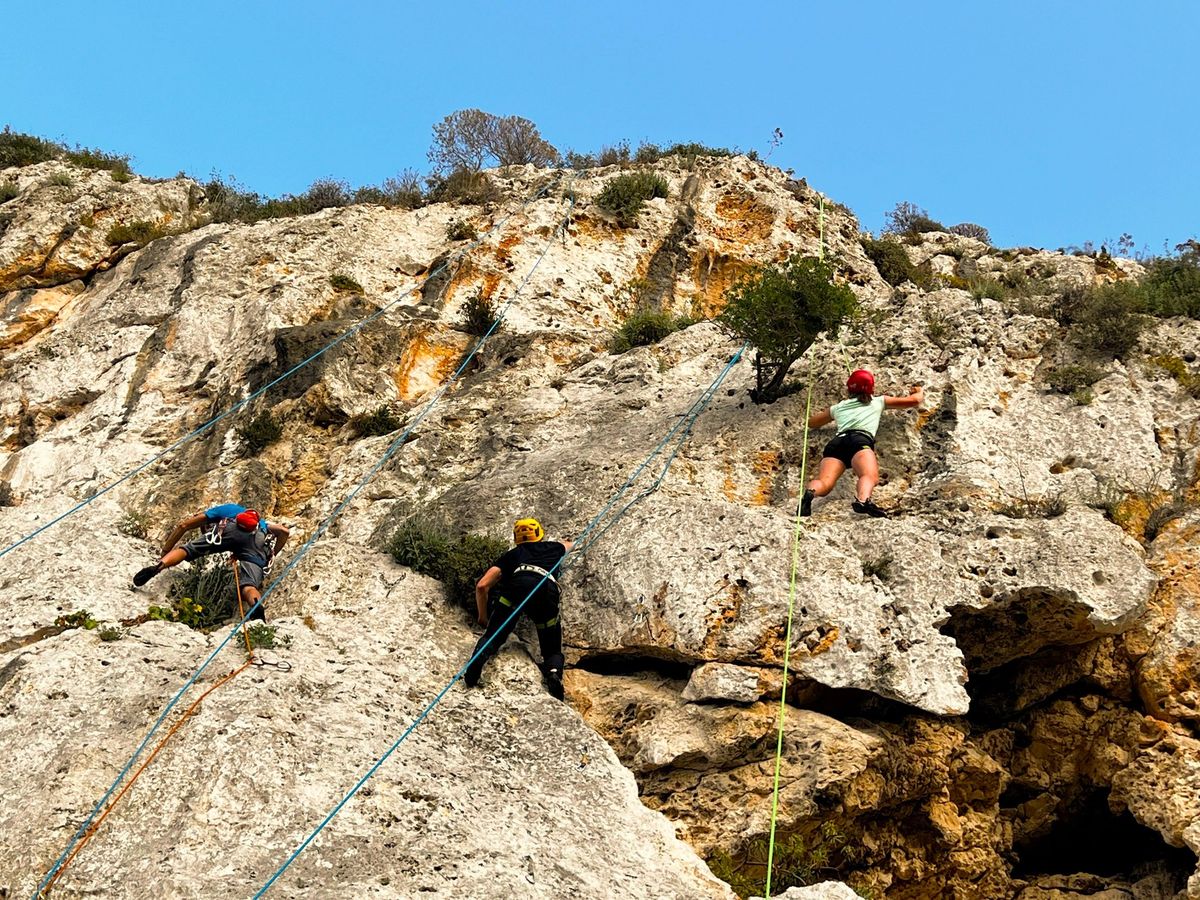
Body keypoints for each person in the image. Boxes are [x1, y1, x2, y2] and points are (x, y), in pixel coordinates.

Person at [464, 518, 573, 700]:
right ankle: (553, 672)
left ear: (517, 538)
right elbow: (570, 545)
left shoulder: (513, 554)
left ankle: (476, 663)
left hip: (516, 587)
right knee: (551, 644)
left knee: (494, 635)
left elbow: (482, 586)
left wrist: (483, 617)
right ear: (539, 533)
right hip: (546, 590)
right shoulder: (553, 548)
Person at [132, 503, 290, 622]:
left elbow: (184, 525)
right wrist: (271, 554)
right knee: (249, 585)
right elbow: (284, 532)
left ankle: (159, 566)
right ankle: (255, 606)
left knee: (187, 549)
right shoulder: (261, 524)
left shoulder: (226, 510)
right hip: (255, 541)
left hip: (227, 530)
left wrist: (166, 551)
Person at [800, 369, 923, 518]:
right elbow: (915, 401)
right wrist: (919, 390)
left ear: (849, 388)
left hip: (837, 443)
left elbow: (812, 423)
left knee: (825, 483)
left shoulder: (839, 407)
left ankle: (810, 492)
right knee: (868, 475)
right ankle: (863, 500)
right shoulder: (878, 401)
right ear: (872, 388)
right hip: (860, 441)